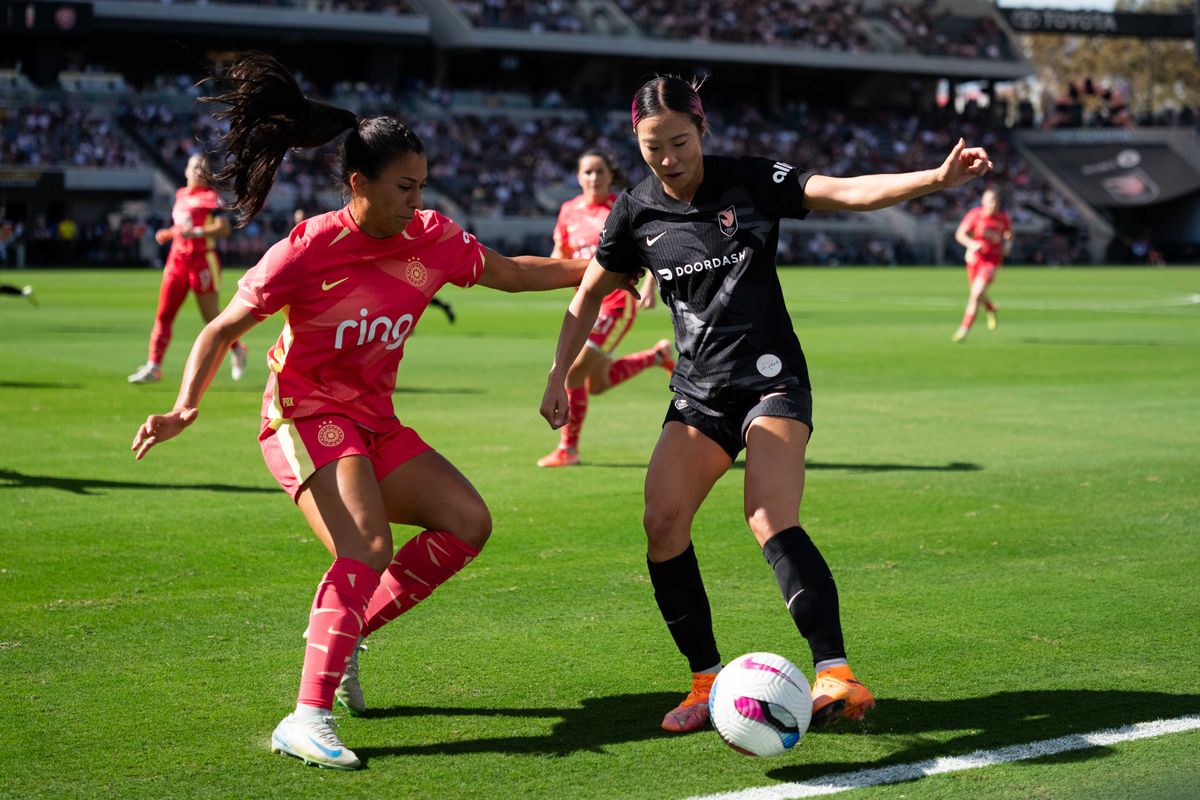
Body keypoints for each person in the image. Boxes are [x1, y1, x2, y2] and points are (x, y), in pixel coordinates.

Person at [130, 53, 598, 771]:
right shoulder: (308, 249)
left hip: (374, 420)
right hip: (303, 414)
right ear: (359, 184)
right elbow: (221, 328)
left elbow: (510, 273)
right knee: (367, 547)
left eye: (422, 186)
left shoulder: (433, 238)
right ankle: (306, 717)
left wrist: (602, 266)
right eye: (404, 187)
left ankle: (345, 637)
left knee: (468, 523)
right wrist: (183, 408)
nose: (417, 200)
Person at [540, 76, 991, 734]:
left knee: (768, 515)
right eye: (651, 146)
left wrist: (934, 179)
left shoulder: (750, 181)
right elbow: (586, 295)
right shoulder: (634, 211)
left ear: (702, 131)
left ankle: (835, 674)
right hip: (698, 391)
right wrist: (559, 372)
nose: (668, 158)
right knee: (662, 524)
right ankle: (705, 681)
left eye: (679, 141)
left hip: (771, 378)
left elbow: (841, 191)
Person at [537, 149, 672, 468]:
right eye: (587, 172)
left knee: (573, 371)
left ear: (610, 175)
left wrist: (650, 285)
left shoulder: (620, 207)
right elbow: (561, 252)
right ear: (578, 177)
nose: (593, 178)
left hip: (615, 302)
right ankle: (656, 357)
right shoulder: (568, 210)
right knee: (594, 384)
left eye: (600, 172)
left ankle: (568, 448)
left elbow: (649, 246)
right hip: (586, 302)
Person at [128, 153, 248, 384]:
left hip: (202, 261)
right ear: (185, 170)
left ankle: (237, 349)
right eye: (195, 167)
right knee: (164, 314)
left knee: (211, 318)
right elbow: (182, 226)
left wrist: (197, 233)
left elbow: (223, 229)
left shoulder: (210, 198)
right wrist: (170, 233)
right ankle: (154, 366)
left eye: (203, 169)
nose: (198, 172)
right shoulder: (181, 195)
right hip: (177, 261)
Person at [295, 205, 456, 323]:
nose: (298, 221)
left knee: (410, 293)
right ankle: (437, 308)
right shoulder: (309, 234)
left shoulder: (320, 232)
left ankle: (404, 320)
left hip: (393, 266)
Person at [952, 187, 1011, 343]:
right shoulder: (975, 215)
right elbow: (960, 234)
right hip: (974, 259)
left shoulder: (1002, 218)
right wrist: (971, 244)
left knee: (976, 295)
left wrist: (1007, 245)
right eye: (992, 200)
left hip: (991, 261)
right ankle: (991, 308)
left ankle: (964, 330)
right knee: (977, 292)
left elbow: (1008, 234)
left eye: (997, 200)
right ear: (984, 202)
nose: (995, 203)